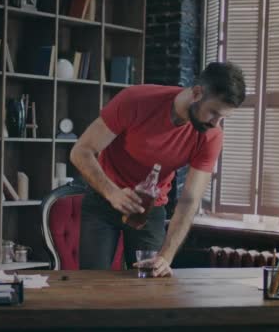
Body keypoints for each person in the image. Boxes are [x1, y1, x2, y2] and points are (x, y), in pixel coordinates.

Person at [70, 61, 246, 277]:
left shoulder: (211, 135)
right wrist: (112, 193)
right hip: (103, 200)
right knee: (92, 284)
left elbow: (189, 199)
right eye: (213, 113)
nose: (216, 124)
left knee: (150, 284)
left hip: (150, 208)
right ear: (197, 93)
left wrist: (167, 255)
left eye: (223, 118)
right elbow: (81, 151)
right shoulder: (136, 100)